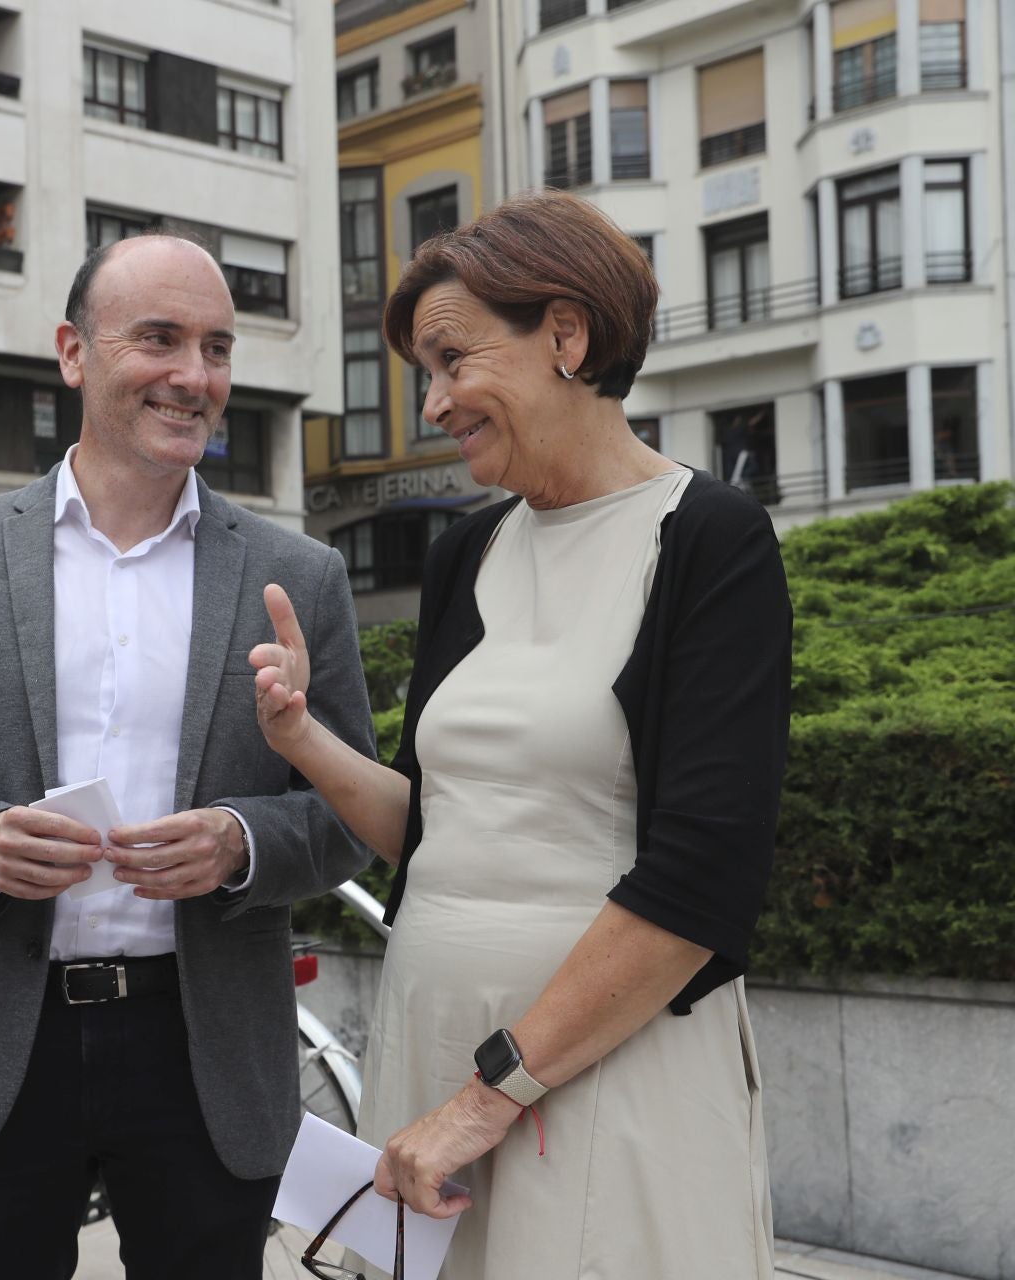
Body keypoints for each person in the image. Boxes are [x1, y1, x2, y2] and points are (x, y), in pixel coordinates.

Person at [251, 190, 789, 1280]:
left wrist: (487, 1097)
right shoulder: (467, 552)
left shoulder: (710, 540)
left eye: (453, 359)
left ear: (567, 334)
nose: (437, 401)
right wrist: (301, 736)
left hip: (599, 1069)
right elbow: (439, 830)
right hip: (434, 1046)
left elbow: (701, 881)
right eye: (424, 377)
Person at [0, 233, 376, 1280]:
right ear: (73, 353)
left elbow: (355, 809)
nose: (194, 376)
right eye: (160, 339)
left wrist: (239, 841)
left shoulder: (296, 574)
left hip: (205, 1048)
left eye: (217, 348)